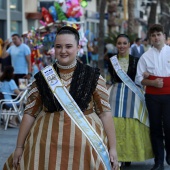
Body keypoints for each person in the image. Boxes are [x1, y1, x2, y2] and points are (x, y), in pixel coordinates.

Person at [3, 26, 119, 170]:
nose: (63, 51)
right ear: (54, 49)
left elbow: (105, 113)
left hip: (85, 147)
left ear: (78, 47)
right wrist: (19, 147)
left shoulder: (93, 76)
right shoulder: (42, 77)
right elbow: (29, 114)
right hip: (45, 146)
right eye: (58, 47)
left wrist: (112, 148)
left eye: (68, 46)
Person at [107, 34, 153, 168]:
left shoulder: (136, 60)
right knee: (114, 122)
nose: (121, 46)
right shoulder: (111, 60)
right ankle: (117, 155)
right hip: (116, 94)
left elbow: (140, 76)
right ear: (116, 45)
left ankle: (129, 155)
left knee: (132, 121)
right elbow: (111, 78)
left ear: (129, 45)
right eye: (119, 43)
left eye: (124, 43)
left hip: (132, 94)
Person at [135, 24, 170, 170]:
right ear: (150, 38)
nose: (156, 37)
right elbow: (138, 78)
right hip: (153, 96)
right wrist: (151, 82)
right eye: (153, 35)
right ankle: (159, 161)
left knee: (169, 127)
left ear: (164, 36)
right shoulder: (145, 56)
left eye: (158, 34)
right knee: (155, 128)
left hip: (169, 95)